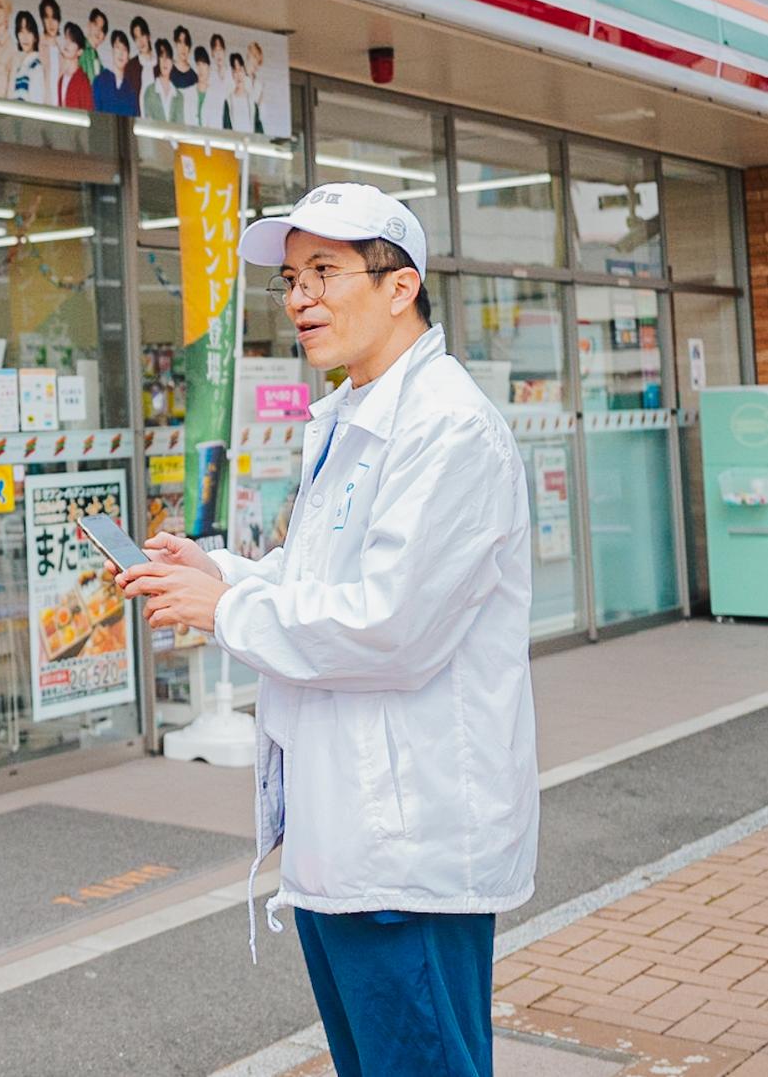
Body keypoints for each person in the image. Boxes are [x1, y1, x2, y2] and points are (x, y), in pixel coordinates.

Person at [115, 184, 538, 1077]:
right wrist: (217, 570)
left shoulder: (448, 429)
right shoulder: (353, 418)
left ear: (399, 287)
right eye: (289, 277)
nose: (299, 296)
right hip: (346, 831)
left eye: (323, 271)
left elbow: (389, 624)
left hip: (406, 848)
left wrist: (225, 610)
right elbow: (319, 581)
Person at [93, 30, 141, 116]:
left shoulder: (131, 90)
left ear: (128, 56)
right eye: (118, 48)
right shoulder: (100, 81)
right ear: (112, 51)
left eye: (124, 49)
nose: (121, 53)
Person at [143, 38, 184, 123]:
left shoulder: (179, 96)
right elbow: (148, 122)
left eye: (168, 57)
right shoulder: (150, 91)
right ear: (158, 60)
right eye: (162, 57)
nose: (165, 62)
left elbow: (180, 126)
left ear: (172, 62)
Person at [56, 21, 94, 109]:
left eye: (72, 41)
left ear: (80, 51)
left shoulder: (83, 81)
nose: (67, 44)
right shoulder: (62, 79)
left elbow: (89, 112)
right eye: (66, 38)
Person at [12, 9, 46, 104]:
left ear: (35, 37)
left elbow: (37, 104)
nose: (25, 37)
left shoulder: (36, 66)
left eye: (29, 32)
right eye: (21, 32)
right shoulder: (18, 66)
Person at [223, 50, 255, 132]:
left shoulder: (251, 99)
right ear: (232, 74)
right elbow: (226, 128)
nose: (238, 74)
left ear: (244, 71)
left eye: (240, 69)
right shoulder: (228, 101)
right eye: (235, 71)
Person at [39, 0, 63, 104]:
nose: (51, 23)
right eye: (47, 17)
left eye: (54, 17)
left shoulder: (64, 47)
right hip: (44, 104)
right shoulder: (38, 44)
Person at [188, 44, 216, 127]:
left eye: (204, 64)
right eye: (198, 64)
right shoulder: (189, 93)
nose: (201, 69)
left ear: (209, 68)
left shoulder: (215, 96)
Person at [129, 15, 155, 92]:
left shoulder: (159, 64)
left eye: (142, 35)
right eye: (137, 38)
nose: (140, 41)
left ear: (148, 36)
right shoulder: (131, 66)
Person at [247, 40, 267, 134]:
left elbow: (262, 113)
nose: (255, 62)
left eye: (257, 60)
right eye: (253, 56)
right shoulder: (238, 78)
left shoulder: (259, 85)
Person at [171, 25, 198, 90]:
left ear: (189, 47)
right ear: (175, 44)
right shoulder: (168, 69)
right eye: (180, 42)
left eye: (186, 43)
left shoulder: (193, 77)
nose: (183, 47)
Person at [87, 7, 112, 72]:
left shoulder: (96, 58)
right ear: (89, 25)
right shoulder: (79, 49)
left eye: (102, 29)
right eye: (96, 25)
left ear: (104, 37)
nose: (98, 31)